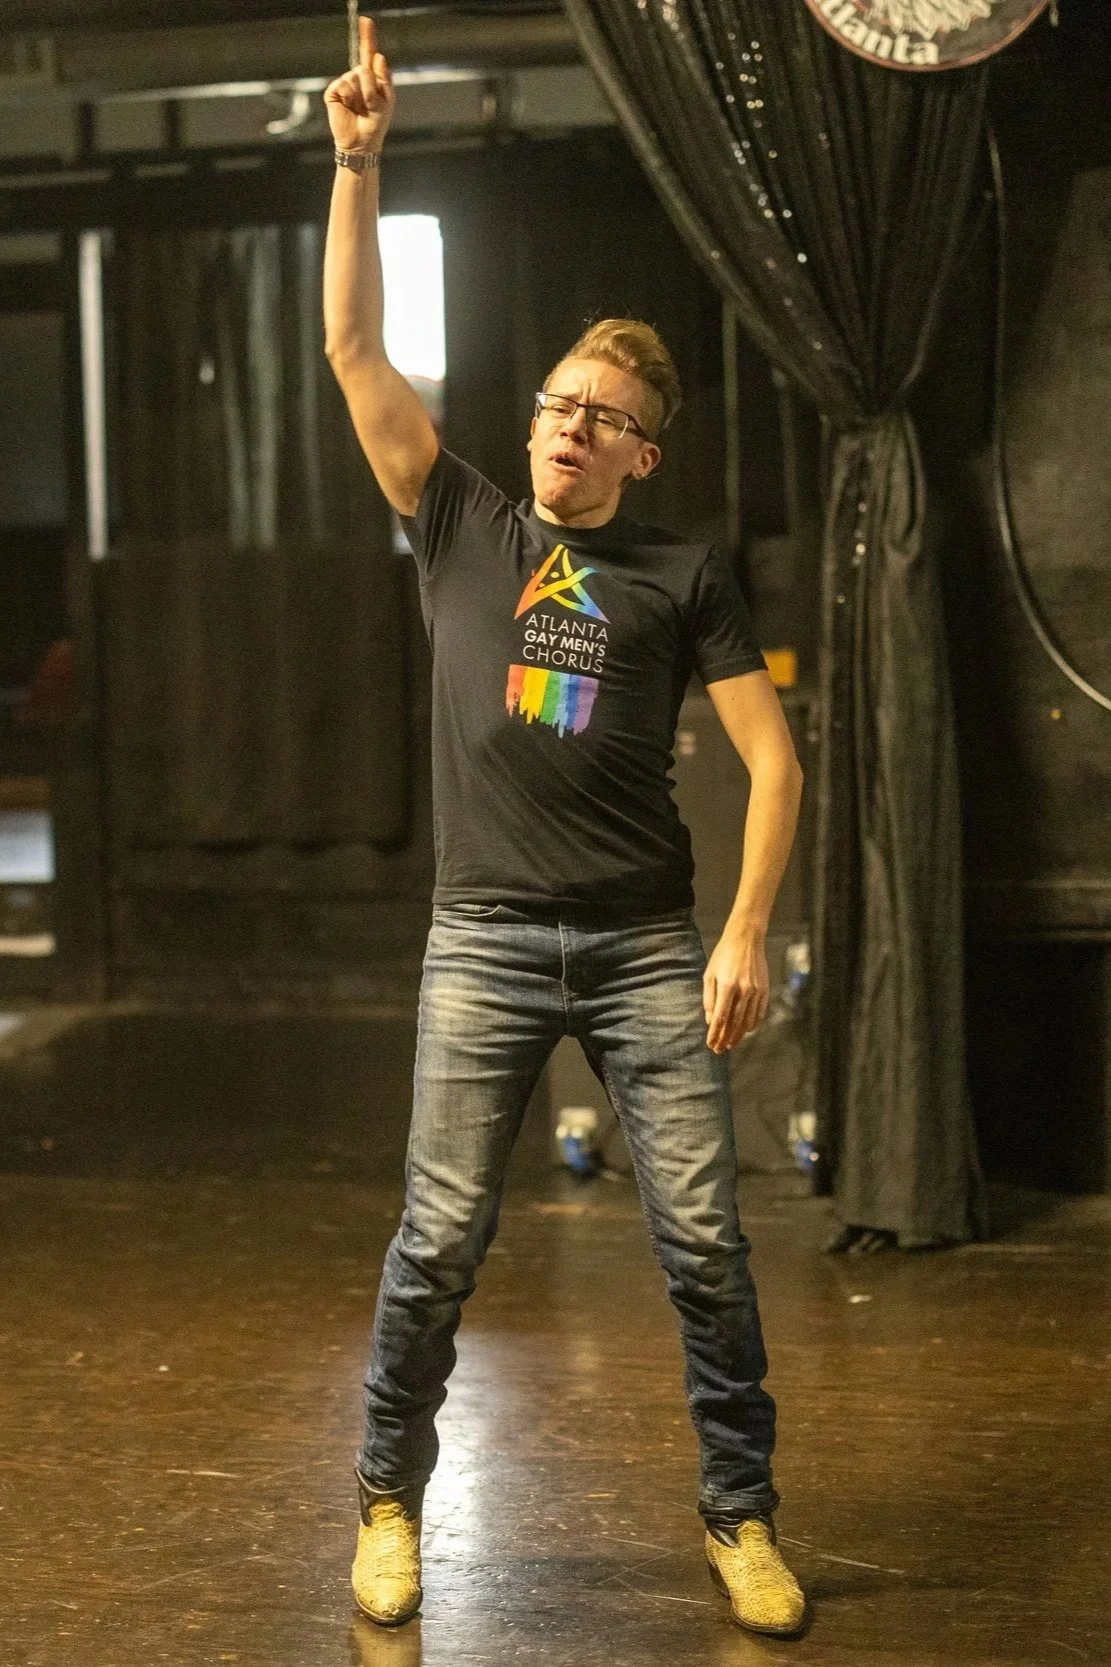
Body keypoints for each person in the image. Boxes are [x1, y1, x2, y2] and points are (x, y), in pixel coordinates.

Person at [323, 17, 806, 1641]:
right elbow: (352, 351)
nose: (566, 423)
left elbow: (773, 761)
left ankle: (740, 1514)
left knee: (705, 1245)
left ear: (637, 451)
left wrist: (743, 930)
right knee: (437, 1238)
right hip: (482, 936)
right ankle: (385, 1497)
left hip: (643, 943)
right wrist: (358, 164)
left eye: (598, 414)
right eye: (554, 401)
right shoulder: (457, 518)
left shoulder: (680, 575)